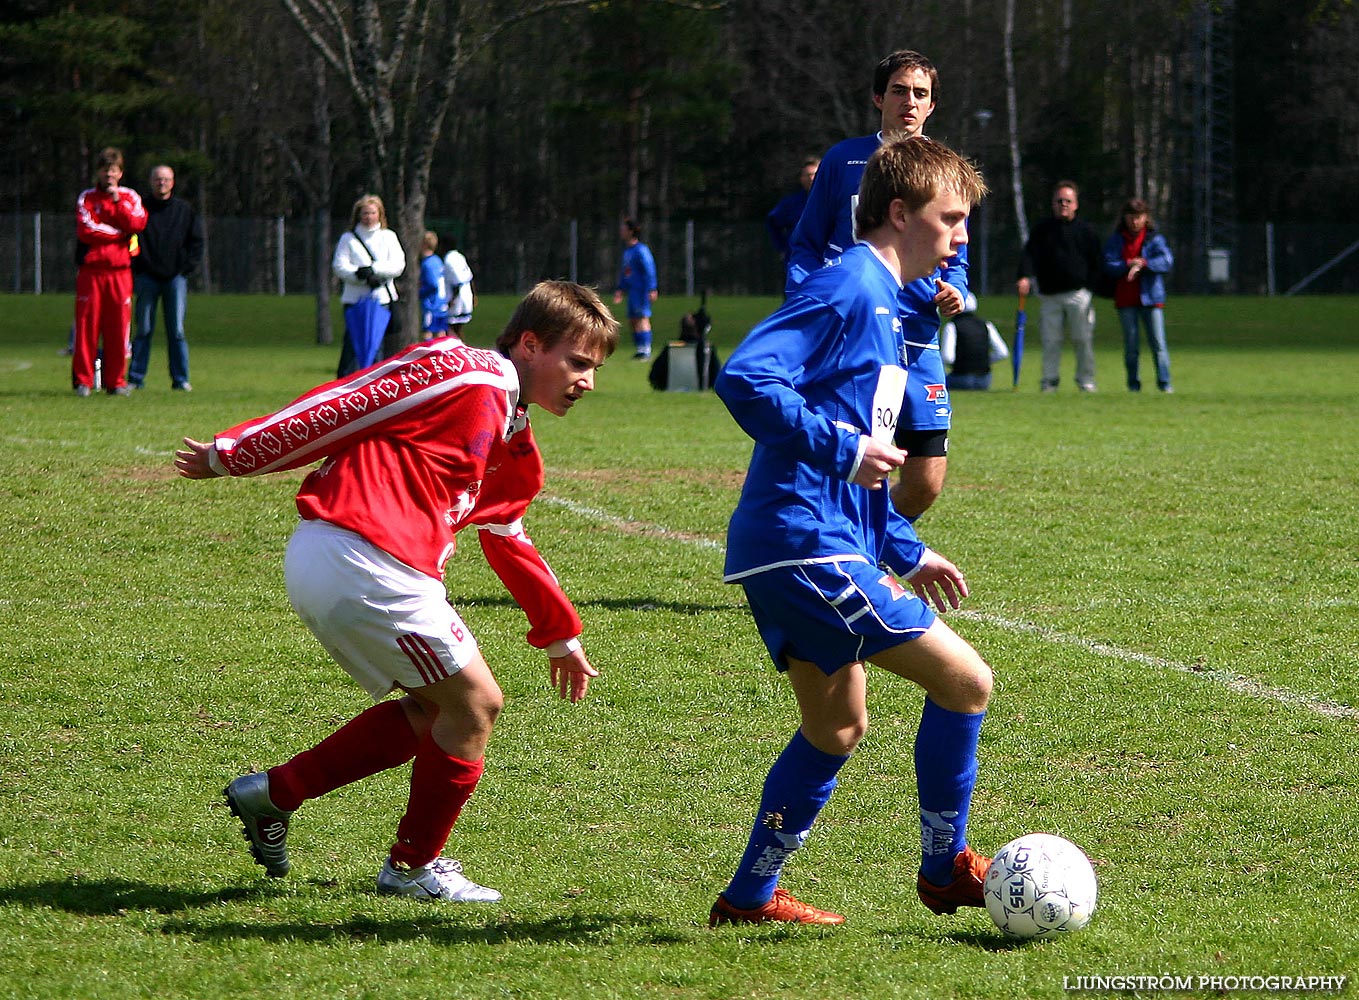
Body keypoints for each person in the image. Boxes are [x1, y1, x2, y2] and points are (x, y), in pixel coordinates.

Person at [174, 281, 619, 902]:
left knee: (434, 711)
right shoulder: (471, 372)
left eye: (594, 369)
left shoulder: (512, 436)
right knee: (475, 706)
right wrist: (236, 453)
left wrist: (560, 634)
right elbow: (349, 401)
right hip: (362, 553)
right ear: (529, 344)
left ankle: (273, 794)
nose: (586, 382)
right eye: (576, 363)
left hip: (358, 562)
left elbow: (507, 538)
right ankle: (411, 868)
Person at [709, 136, 993, 927]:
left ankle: (748, 898)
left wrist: (904, 547)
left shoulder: (889, 304)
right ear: (899, 213)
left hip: (797, 543)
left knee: (834, 727)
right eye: (951, 219)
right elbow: (743, 375)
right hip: (805, 545)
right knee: (966, 682)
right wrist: (842, 447)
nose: (961, 236)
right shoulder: (847, 285)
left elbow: (861, 452)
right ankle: (944, 869)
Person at [786, 49, 965, 523]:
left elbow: (958, 254)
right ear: (877, 98)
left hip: (918, 338)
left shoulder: (946, 171)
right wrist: (806, 297)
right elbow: (806, 243)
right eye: (899, 90)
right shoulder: (844, 160)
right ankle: (837, 556)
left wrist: (956, 291)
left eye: (920, 93)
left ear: (932, 106)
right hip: (856, 335)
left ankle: (873, 546)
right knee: (857, 462)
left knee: (925, 479)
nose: (909, 101)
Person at [1015, 180, 1105, 392]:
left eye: (1068, 201)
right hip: (1049, 295)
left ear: (1076, 204)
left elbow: (1097, 261)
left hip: (1078, 295)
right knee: (1051, 341)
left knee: (1082, 340)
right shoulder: (1042, 230)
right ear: (1053, 204)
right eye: (1059, 201)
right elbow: (1029, 256)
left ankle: (1086, 380)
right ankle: (1049, 380)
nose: (1063, 204)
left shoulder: (1086, 231)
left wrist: (1091, 287)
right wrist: (1024, 277)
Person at [73, 147, 147, 397]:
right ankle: (83, 380)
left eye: (113, 171)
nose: (109, 176)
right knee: (86, 326)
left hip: (120, 272)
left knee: (119, 328)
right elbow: (87, 229)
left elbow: (137, 223)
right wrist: (119, 233)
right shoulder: (87, 198)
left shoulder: (130, 197)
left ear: (120, 173)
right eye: (105, 171)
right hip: (92, 272)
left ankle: (116, 382)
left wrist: (117, 205)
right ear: (99, 172)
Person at [129, 164, 204, 392]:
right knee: (143, 329)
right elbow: (130, 239)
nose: (162, 183)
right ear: (151, 181)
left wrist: (185, 268)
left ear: (173, 182)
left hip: (175, 279)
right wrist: (138, 267)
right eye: (157, 179)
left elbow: (196, 242)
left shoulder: (184, 210)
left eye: (166, 179)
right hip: (147, 278)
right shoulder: (139, 208)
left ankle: (180, 379)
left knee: (177, 330)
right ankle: (135, 378)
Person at [1103, 199, 1175, 393]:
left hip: (1151, 298)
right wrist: (1127, 264)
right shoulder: (1116, 240)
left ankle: (1164, 384)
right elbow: (1108, 265)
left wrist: (1144, 263)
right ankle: (1133, 385)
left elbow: (1167, 261)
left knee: (1158, 344)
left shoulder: (1154, 239)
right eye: (1131, 217)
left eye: (1139, 217)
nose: (1135, 222)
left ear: (1146, 218)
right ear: (1124, 218)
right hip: (1126, 300)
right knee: (1131, 347)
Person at [333, 194, 405, 378]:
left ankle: (375, 385)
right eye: (365, 213)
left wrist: (374, 271)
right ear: (358, 215)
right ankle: (345, 384)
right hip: (355, 300)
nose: (368, 217)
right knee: (352, 346)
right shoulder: (348, 239)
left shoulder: (388, 237)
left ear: (379, 214)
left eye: (372, 213)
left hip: (381, 300)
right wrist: (359, 274)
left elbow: (398, 265)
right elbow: (340, 266)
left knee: (376, 347)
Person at [940, 293, 1008, 391]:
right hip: (984, 380)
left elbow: (948, 358)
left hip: (960, 378)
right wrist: (983, 362)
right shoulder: (986, 324)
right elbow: (1002, 353)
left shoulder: (952, 326)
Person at [613, 218, 658, 359]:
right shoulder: (628, 251)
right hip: (632, 291)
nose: (621, 231)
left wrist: (652, 288)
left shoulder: (641, 250)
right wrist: (621, 288)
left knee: (642, 318)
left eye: (624, 229)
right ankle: (640, 349)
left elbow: (649, 269)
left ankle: (646, 349)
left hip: (641, 291)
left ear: (631, 231)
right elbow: (626, 272)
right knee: (633, 320)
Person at [764, 156, 819, 263]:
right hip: (799, 260)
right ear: (801, 179)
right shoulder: (790, 203)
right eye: (808, 175)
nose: (812, 179)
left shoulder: (833, 201)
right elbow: (772, 222)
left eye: (815, 174)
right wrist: (783, 248)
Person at [418, 230, 450, 341]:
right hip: (442, 303)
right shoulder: (437, 260)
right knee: (441, 333)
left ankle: (429, 356)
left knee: (428, 332)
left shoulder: (427, 263)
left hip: (432, 305)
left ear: (424, 244)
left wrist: (419, 293)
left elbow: (433, 284)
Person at [442, 236, 476, 337]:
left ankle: (456, 350)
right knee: (458, 329)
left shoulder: (449, 259)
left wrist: (452, 299)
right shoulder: (459, 256)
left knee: (451, 329)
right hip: (466, 294)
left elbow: (457, 281)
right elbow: (469, 276)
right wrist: (473, 294)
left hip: (457, 298)